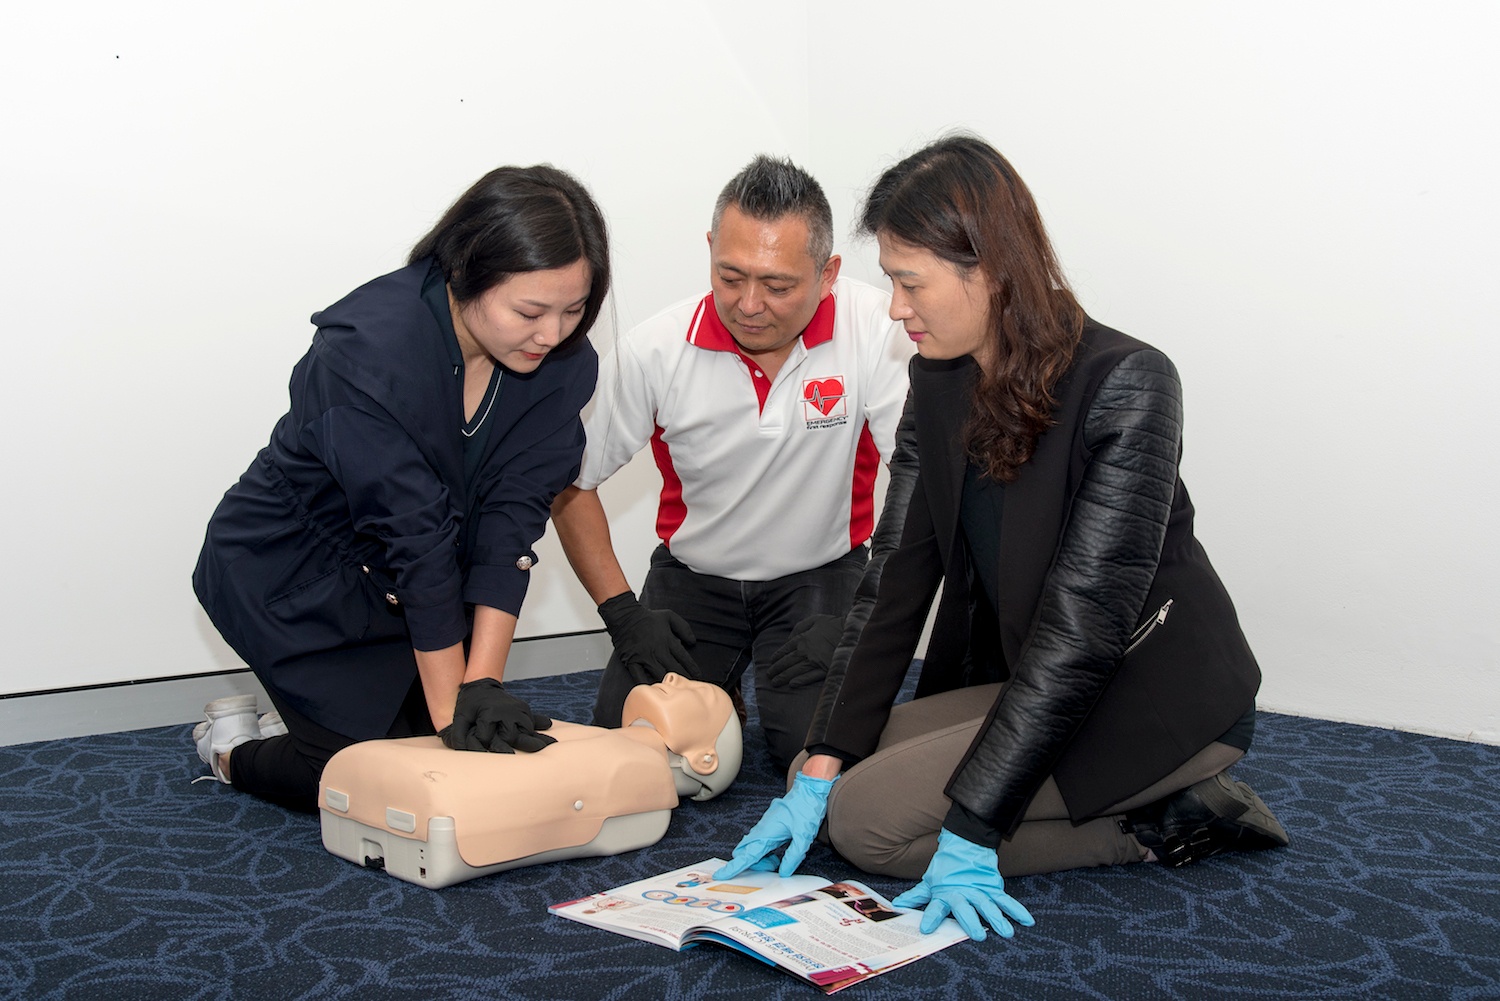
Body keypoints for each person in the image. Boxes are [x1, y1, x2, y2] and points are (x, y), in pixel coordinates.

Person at [717, 135, 1289, 942]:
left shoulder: (1129, 381)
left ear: (987, 268)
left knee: (868, 824)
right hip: (1040, 679)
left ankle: (1161, 824)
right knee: (839, 764)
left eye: (910, 282)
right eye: (890, 281)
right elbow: (894, 577)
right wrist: (819, 759)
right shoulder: (938, 377)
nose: (895, 308)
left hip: (1149, 697)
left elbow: (1085, 629)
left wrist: (976, 826)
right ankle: (876, 781)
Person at [190, 164, 610, 813]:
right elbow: (415, 533)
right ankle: (228, 751)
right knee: (366, 778)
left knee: (423, 751)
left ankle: (308, 718)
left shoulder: (562, 364)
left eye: (574, 310)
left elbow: (512, 520)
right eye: (530, 311)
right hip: (295, 571)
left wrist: (482, 685)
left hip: (409, 585)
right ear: (465, 270)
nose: (553, 334)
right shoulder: (368, 351)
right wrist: (450, 723)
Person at [549, 156, 913, 773]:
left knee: (819, 754)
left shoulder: (881, 330)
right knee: (629, 755)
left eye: (778, 286)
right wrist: (623, 615)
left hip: (820, 573)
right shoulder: (656, 349)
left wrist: (864, 620)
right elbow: (569, 485)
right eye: (730, 275)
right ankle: (722, 697)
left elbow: (921, 489)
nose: (749, 304)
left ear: (828, 274)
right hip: (695, 577)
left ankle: (745, 698)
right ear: (711, 250)